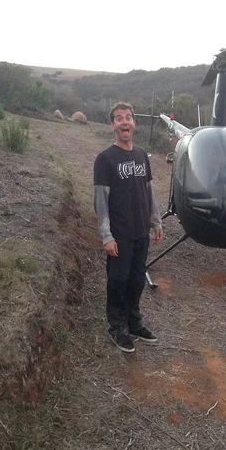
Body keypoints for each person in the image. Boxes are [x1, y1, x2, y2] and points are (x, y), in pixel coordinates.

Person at [94, 102, 163, 353]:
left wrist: (155, 221)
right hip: (119, 235)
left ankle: (134, 322)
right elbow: (101, 202)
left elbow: (148, 192)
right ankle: (117, 326)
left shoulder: (142, 155)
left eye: (129, 118)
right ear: (112, 125)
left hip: (140, 232)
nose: (125, 122)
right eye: (119, 118)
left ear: (134, 123)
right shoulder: (105, 159)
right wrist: (106, 236)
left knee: (136, 281)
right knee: (118, 281)